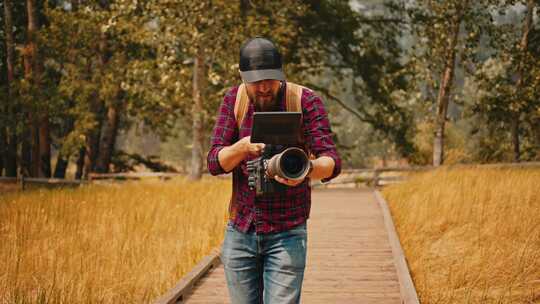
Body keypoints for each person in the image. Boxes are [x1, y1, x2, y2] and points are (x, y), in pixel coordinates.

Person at [207, 37, 341, 304]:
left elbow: (332, 162)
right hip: (241, 229)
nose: (265, 87)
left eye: (270, 79)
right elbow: (214, 162)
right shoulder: (235, 100)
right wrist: (241, 148)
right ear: (243, 76)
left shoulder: (305, 100)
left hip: (288, 231)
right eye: (257, 81)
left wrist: (305, 169)